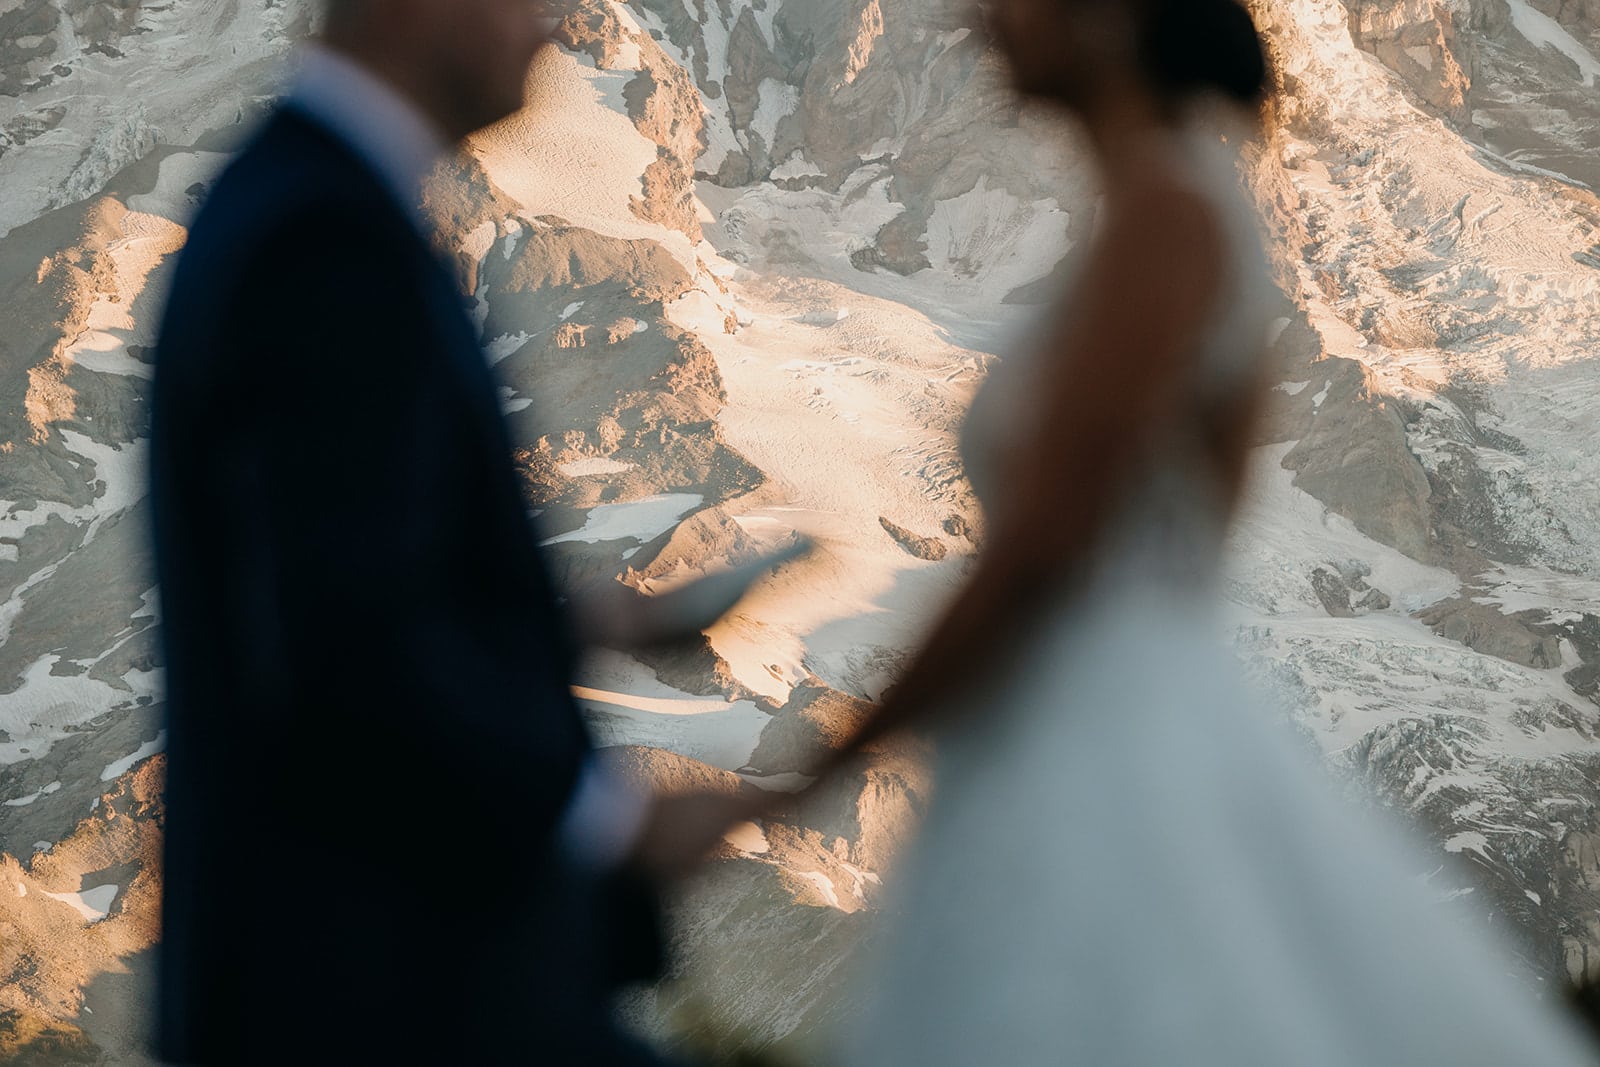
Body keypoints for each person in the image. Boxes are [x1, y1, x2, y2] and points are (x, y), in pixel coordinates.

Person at [821, 0, 1600, 1062]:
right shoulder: (1166, 204)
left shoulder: (1168, 212)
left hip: (1103, 723)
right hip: (1097, 707)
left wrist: (818, 768)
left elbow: (1047, 539)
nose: (979, 18)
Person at [149, 1, 778, 1062]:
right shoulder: (327, 240)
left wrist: (582, 621)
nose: (554, 27)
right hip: (376, 997)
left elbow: (348, 578)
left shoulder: (312, 203)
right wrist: (612, 824)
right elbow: (346, 649)